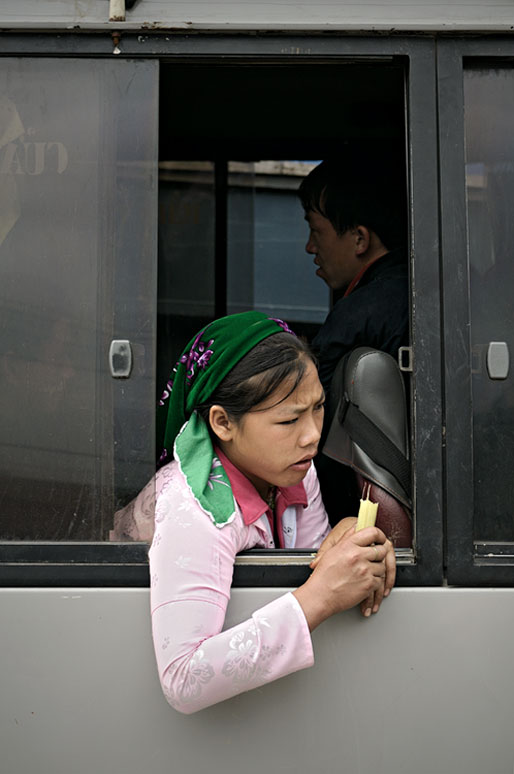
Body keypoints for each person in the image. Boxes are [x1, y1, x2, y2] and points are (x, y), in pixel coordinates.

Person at [113, 311, 395, 714]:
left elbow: (312, 554)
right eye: (289, 419)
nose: (313, 433)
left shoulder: (295, 468)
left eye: (318, 408)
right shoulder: (195, 506)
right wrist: (318, 599)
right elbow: (183, 678)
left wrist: (350, 538)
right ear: (223, 423)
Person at [298, 159, 409, 520]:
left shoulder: (358, 315)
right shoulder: (424, 295)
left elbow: (311, 424)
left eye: (317, 231)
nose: (309, 247)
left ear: (360, 238)